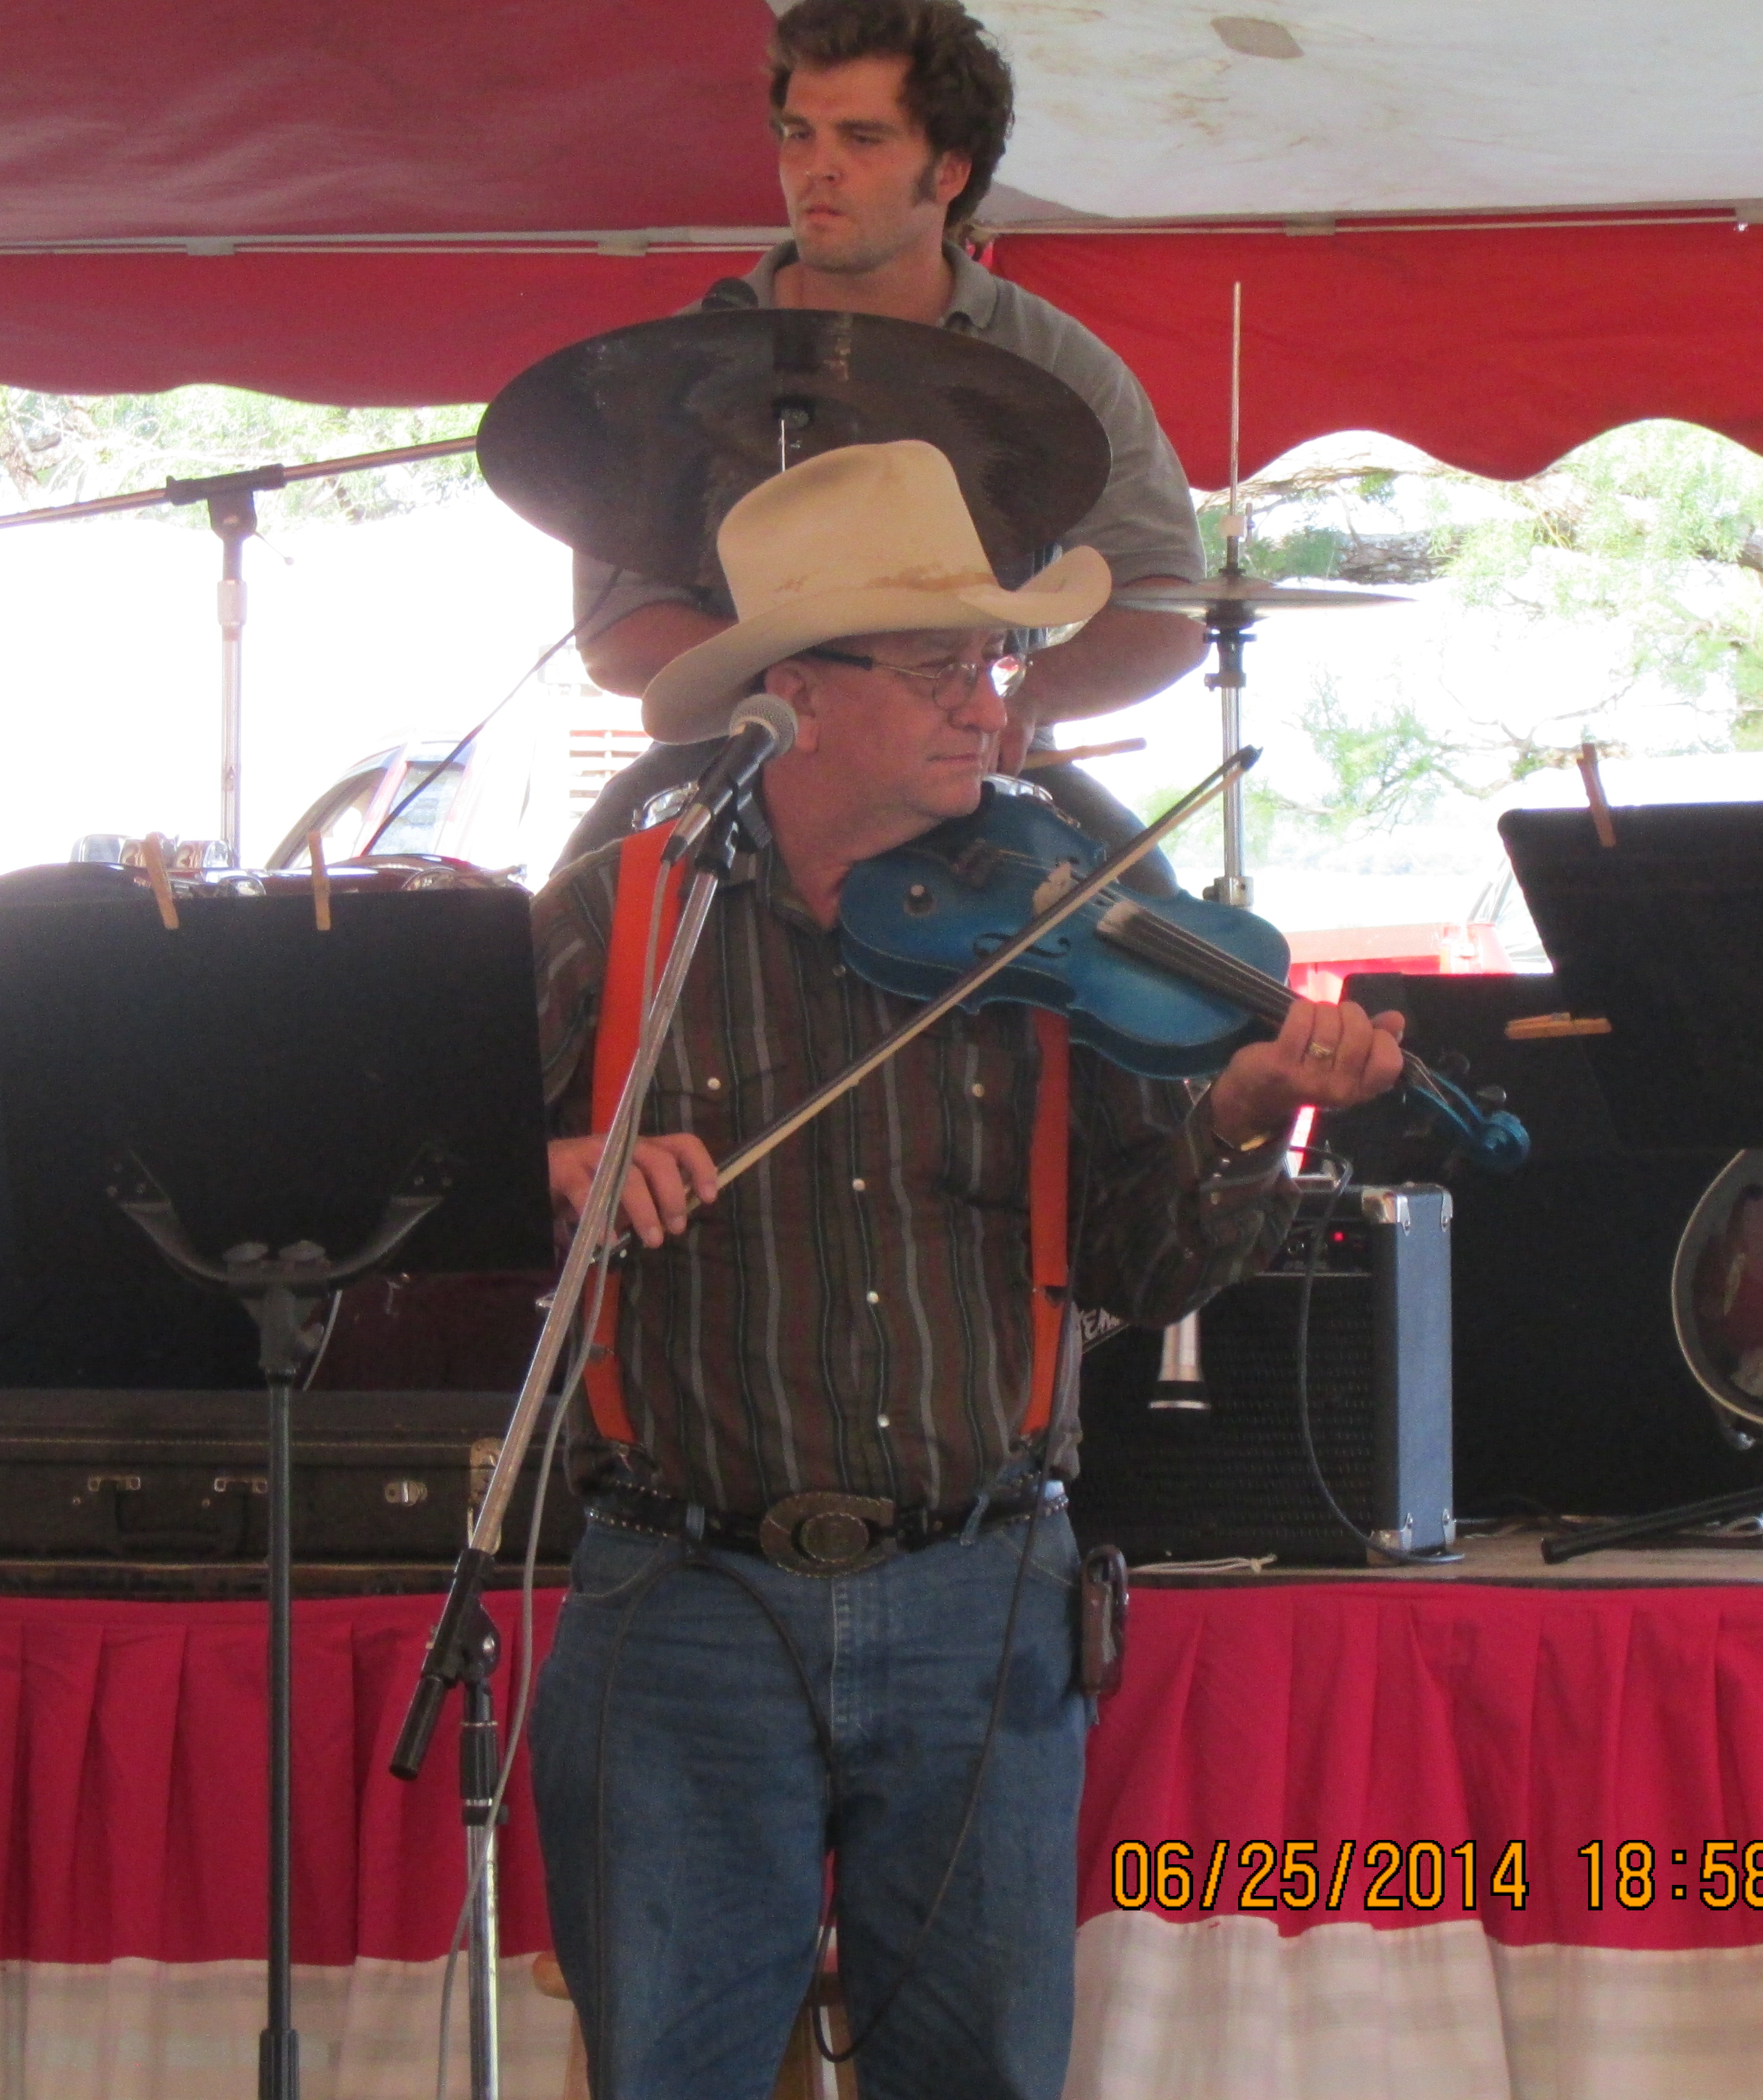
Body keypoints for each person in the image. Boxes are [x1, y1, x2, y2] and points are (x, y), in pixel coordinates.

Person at [530, 441, 1405, 2100]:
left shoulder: (1061, 914)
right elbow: (431, 1200)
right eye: (941, 668)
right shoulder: (607, 917)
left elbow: (1139, 1265)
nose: (989, 709)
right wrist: (558, 1173)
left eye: (996, 665)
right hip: (682, 1602)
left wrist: (1240, 1120)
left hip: (982, 1594)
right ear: (793, 698)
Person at [560, 0, 1205, 870]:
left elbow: (1165, 609)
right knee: (571, 918)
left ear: (950, 171)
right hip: (739, 750)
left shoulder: (1055, 362)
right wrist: (820, 698)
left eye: (862, 139)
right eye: (798, 135)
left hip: (976, 758)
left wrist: (1024, 699)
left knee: (1153, 909)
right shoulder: (680, 364)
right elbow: (618, 631)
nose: (816, 169)